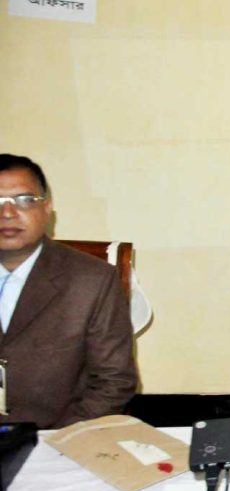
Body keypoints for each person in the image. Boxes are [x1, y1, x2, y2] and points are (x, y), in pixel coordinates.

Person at [0, 154, 138, 429]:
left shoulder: (91, 279)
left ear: (47, 209)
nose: (7, 213)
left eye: (24, 200)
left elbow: (114, 380)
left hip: (55, 440)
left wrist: (60, 440)